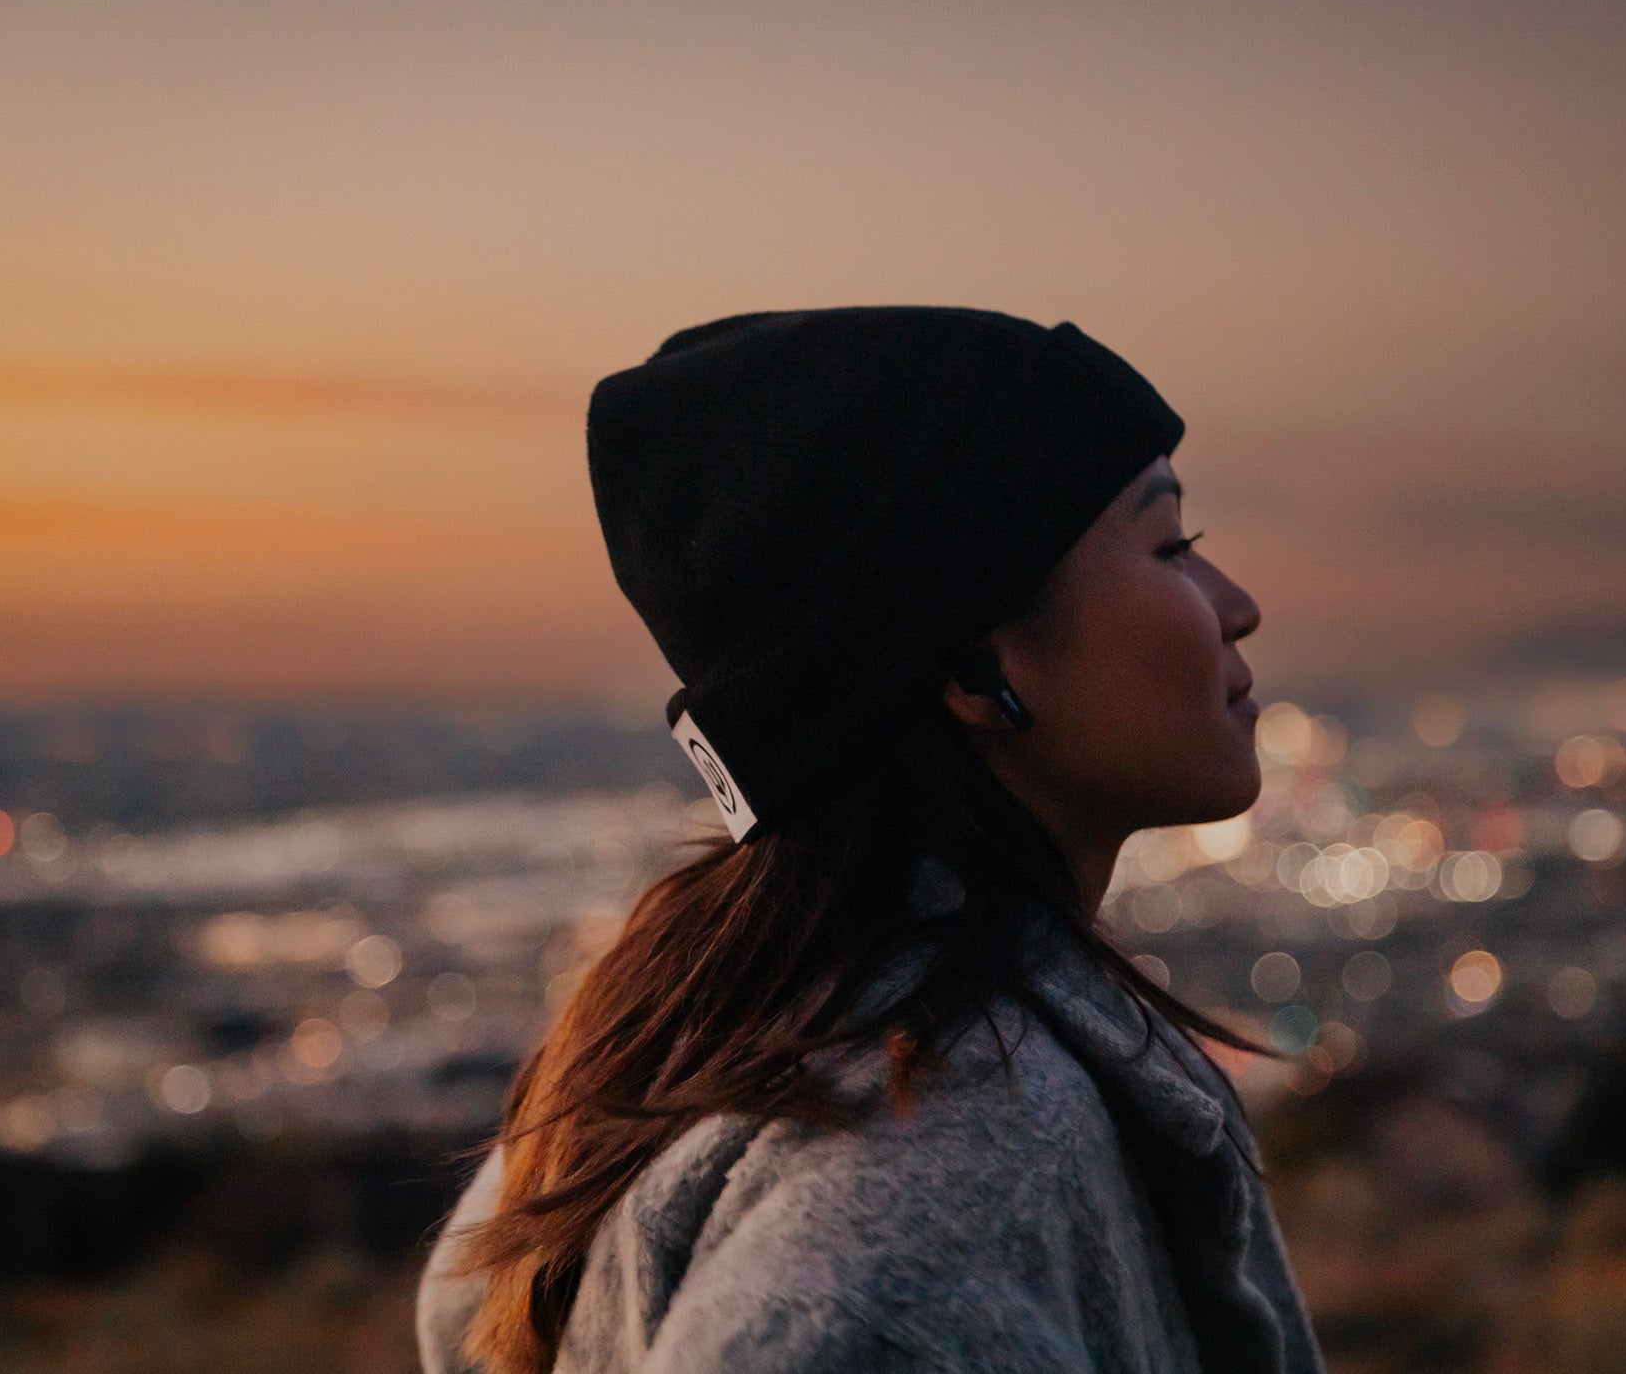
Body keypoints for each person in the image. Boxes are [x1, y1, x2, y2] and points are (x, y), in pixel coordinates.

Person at [415, 306, 1327, 1373]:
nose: (1240, 605)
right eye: (1171, 545)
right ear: (974, 669)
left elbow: (465, 1316)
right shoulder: (965, 1147)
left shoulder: (691, 1023)